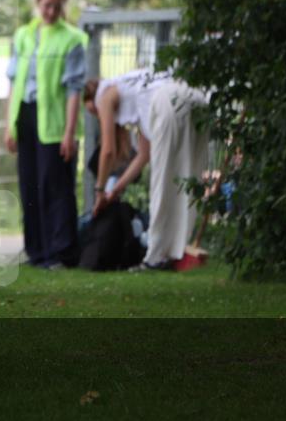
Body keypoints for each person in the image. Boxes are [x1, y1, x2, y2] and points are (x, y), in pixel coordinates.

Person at [86, 67, 209, 270]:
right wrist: (115, 190)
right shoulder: (138, 97)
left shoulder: (104, 94)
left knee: (161, 182)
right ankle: (177, 248)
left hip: (168, 100)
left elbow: (107, 151)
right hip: (194, 94)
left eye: (94, 112)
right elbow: (144, 155)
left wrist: (99, 191)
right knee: (185, 175)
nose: (99, 116)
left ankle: (155, 257)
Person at [4, 0, 87, 269]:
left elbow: (75, 90)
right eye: (46, 5)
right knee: (29, 187)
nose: (51, 11)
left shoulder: (73, 39)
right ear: (38, 3)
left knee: (55, 187)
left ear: (64, 6)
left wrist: (69, 133)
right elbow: (13, 82)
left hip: (54, 123)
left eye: (57, 6)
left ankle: (61, 253)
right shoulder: (23, 35)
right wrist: (9, 126)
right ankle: (36, 252)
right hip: (25, 117)